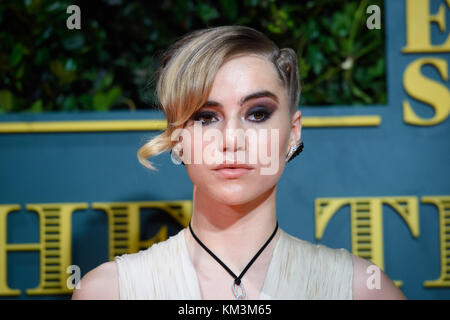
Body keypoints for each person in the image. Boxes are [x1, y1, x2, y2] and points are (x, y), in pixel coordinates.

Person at [72, 25, 406, 300]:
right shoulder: (109, 292)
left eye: (257, 114)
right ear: (178, 138)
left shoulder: (364, 290)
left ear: (292, 133)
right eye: (206, 117)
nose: (232, 139)